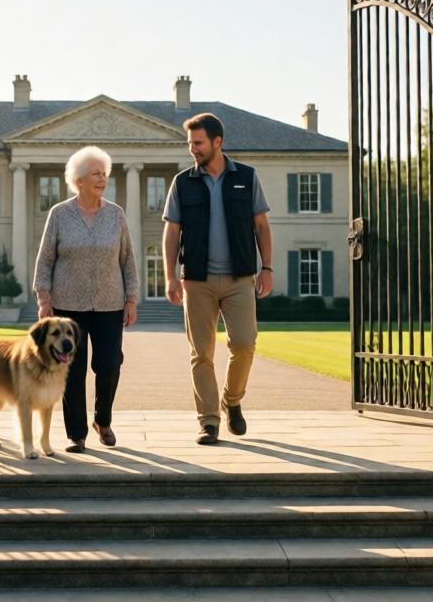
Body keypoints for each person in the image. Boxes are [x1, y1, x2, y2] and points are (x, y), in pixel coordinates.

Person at [162, 113, 273, 444]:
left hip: (240, 278)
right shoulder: (183, 182)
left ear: (217, 142)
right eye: (190, 143)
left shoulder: (247, 178)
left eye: (198, 143)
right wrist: (170, 276)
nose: (192, 149)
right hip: (197, 280)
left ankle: (232, 399)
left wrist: (266, 268)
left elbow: (262, 226)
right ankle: (209, 421)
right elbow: (171, 231)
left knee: (244, 343)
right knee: (201, 353)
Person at [34, 146, 138, 453]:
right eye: (95, 173)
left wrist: (131, 299)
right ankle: (76, 434)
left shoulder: (116, 214)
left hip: (110, 304)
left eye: (104, 173)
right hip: (67, 307)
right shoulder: (60, 214)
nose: (102, 178)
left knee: (109, 364)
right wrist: (43, 299)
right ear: (78, 180)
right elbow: (45, 261)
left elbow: (128, 260)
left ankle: (102, 421)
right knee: (72, 368)